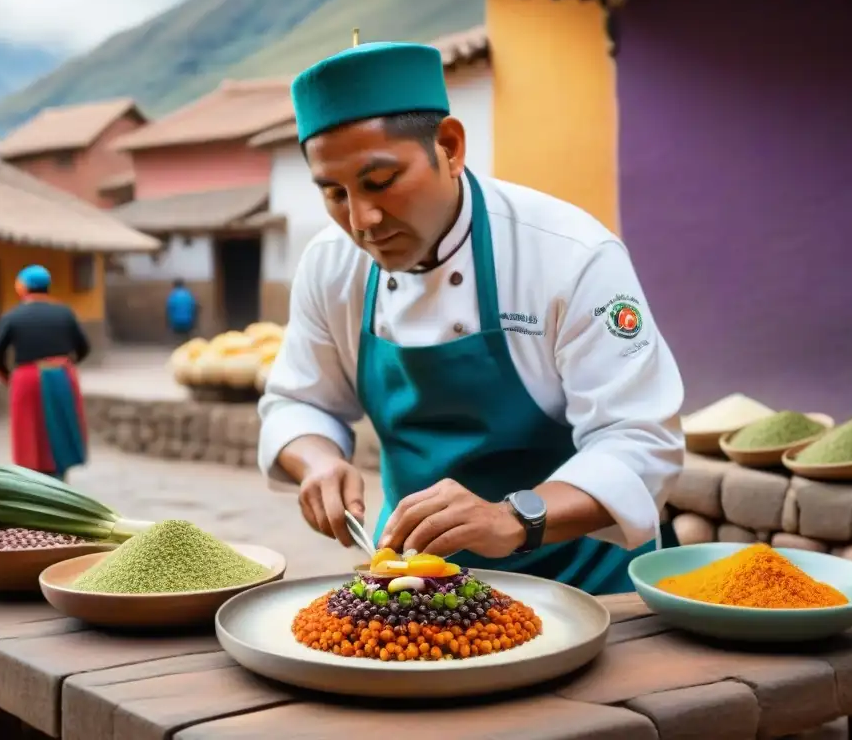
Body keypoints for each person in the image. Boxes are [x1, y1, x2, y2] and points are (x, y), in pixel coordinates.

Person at [258, 40, 685, 594]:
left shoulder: (570, 255)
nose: (362, 220)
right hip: (423, 593)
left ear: (450, 147)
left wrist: (511, 518)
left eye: (380, 182)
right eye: (334, 193)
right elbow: (298, 401)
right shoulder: (330, 265)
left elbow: (640, 441)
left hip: (590, 588)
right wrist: (316, 461)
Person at [0, 264, 90, 481]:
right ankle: (60, 476)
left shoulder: (12, 316)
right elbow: (83, 347)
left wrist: (7, 376)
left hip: (26, 378)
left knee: (30, 430)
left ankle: (34, 480)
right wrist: (66, 365)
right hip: (61, 374)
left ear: (23, 287)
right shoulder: (65, 313)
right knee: (61, 427)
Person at [166, 279, 198, 344]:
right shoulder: (188, 295)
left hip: (176, 322)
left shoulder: (172, 296)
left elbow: (169, 309)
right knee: (187, 335)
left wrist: (169, 322)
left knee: (177, 335)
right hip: (188, 321)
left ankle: (178, 345)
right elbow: (194, 307)